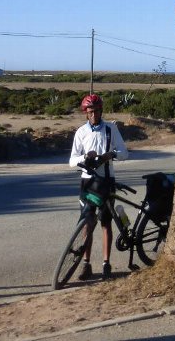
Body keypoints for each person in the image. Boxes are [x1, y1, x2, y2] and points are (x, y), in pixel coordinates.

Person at [68, 93, 129, 280]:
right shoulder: (81, 132)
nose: (94, 114)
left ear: (101, 111)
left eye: (97, 111)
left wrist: (109, 155)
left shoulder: (111, 129)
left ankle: (106, 263)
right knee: (86, 223)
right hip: (88, 182)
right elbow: (71, 161)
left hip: (106, 181)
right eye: (90, 111)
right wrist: (85, 158)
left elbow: (124, 152)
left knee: (105, 223)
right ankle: (85, 264)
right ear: (86, 113)